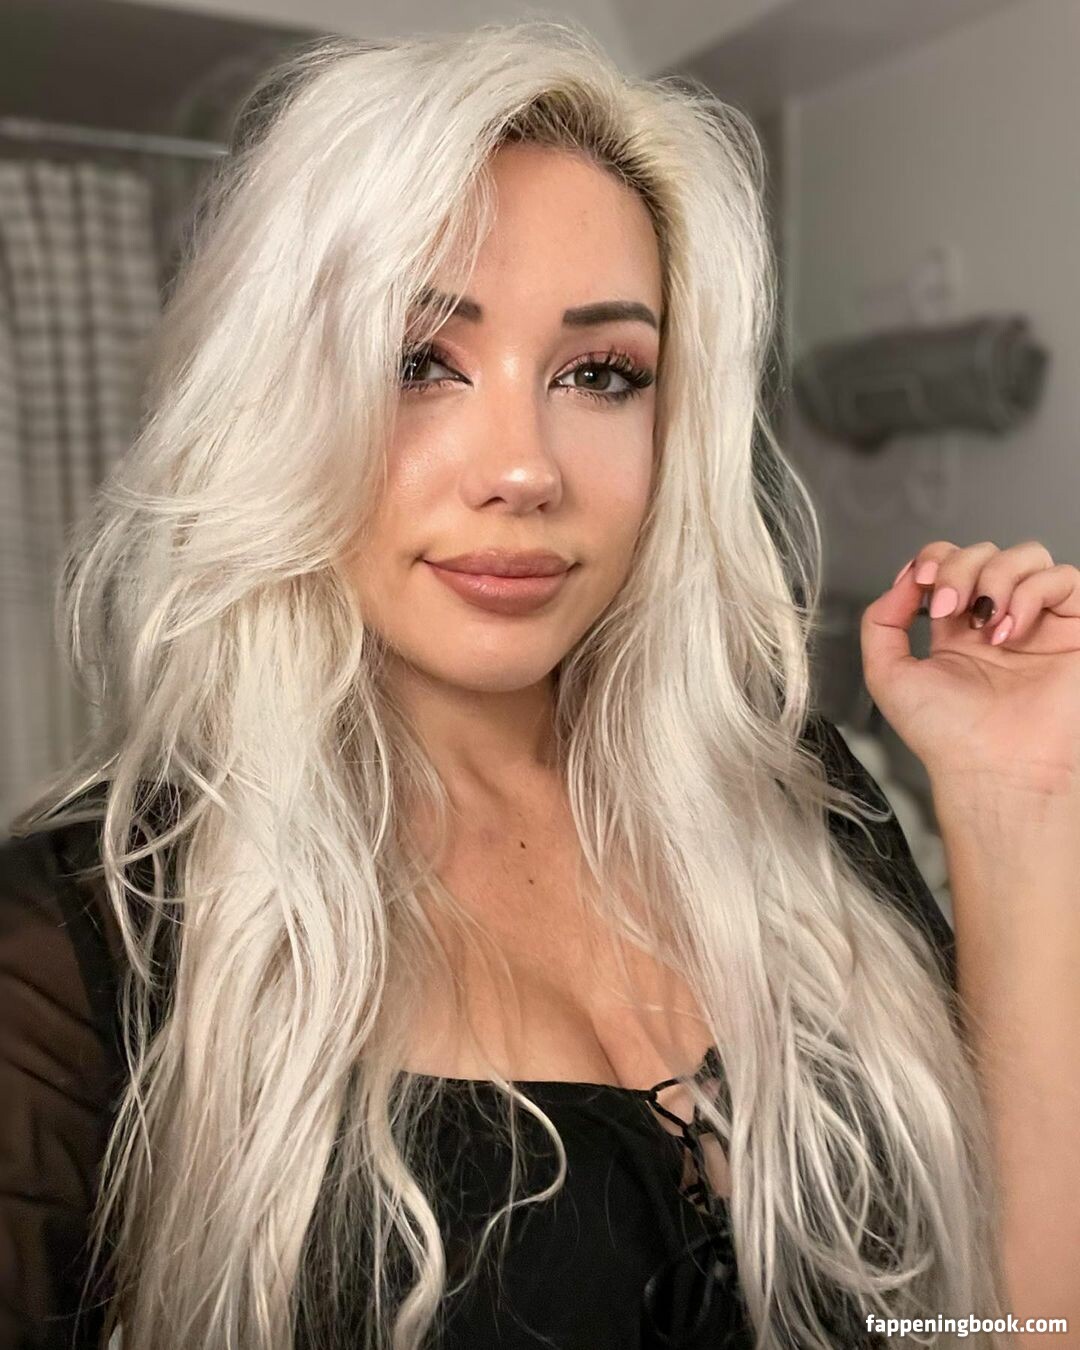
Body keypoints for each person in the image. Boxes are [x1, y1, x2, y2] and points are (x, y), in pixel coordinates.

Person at [0, 20, 1009, 1350]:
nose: (524, 467)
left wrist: (1017, 800)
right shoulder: (82, 944)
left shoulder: (808, 803)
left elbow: (1008, 1323)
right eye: (419, 360)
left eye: (601, 374)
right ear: (273, 403)